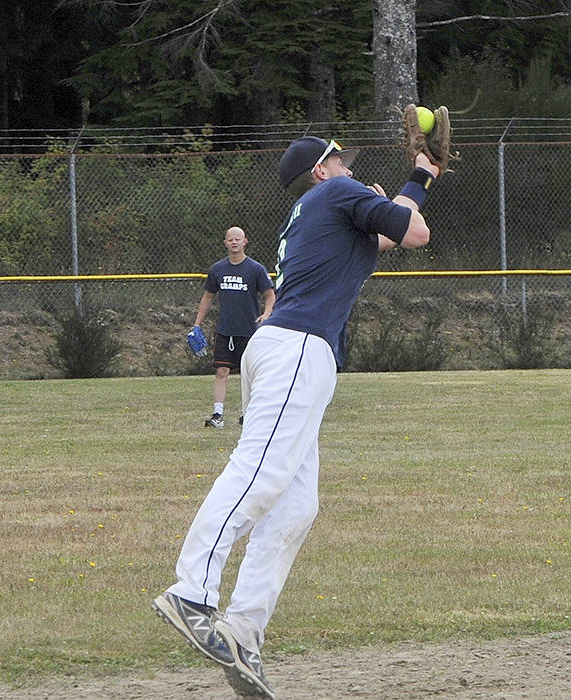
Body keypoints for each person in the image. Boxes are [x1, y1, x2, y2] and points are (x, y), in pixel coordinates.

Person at [154, 136, 441, 699]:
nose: (347, 167)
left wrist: (420, 177)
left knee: (296, 504)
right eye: (340, 160)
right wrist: (418, 179)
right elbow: (414, 233)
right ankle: (191, 592)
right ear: (321, 169)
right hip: (297, 348)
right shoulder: (337, 192)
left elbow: (386, 236)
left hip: (290, 350)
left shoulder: (322, 206)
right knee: (260, 473)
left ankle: (242, 631)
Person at [191, 226, 275, 429]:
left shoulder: (255, 269)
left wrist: (266, 314)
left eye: (238, 239)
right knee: (221, 371)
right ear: (225, 243)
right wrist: (197, 325)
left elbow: (270, 295)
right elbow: (208, 297)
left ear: (245, 241)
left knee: (250, 375)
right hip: (225, 330)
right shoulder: (217, 269)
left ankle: (249, 413)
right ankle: (218, 415)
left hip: (249, 330)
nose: (234, 242)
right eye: (230, 239)